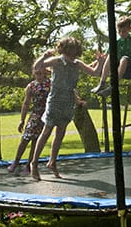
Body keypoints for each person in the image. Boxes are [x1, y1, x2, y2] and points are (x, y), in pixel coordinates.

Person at [30, 37, 104, 181]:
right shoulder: (57, 61)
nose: (71, 53)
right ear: (63, 50)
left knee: (60, 132)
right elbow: (37, 67)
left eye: (74, 50)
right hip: (55, 99)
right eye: (69, 49)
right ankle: (34, 163)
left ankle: (52, 162)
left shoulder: (77, 64)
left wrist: (100, 61)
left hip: (68, 100)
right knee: (46, 131)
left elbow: (95, 72)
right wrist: (44, 56)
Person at [91, 10, 131, 96]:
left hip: (130, 70)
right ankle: (102, 83)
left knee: (124, 58)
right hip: (118, 68)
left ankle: (113, 87)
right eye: (119, 31)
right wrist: (96, 62)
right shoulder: (117, 41)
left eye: (124, 31)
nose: (121, 33)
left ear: (129, 29)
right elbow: (105, 56)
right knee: (110, 56)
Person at [7, 66, 51, 176]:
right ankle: (16, 162)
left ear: (45, 73)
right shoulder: (31, 86)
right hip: (35, 114)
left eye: (41, 73)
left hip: (46, 115)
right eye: (37, 73)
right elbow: (26, 103)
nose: (39, 76)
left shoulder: (50, 84)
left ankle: (29, 165)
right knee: (25, 138)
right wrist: (22, 120)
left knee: (36, 141)